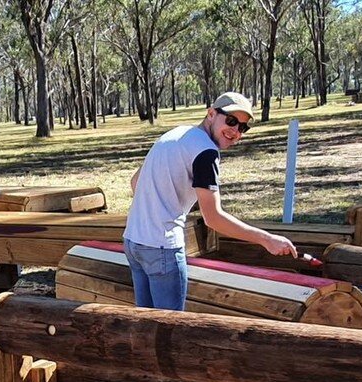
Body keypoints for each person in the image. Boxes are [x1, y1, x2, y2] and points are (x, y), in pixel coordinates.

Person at [124, 92, 297, 310]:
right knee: (169, 330)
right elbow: (213, 218)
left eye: (242, 127)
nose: (235, 131)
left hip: (133, 242)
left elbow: (135, 183)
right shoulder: (205, 151)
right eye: (231, 121)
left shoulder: (174, 134)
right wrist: (267, 239)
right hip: (162, 248)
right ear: (211, 114)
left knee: (144, 325)